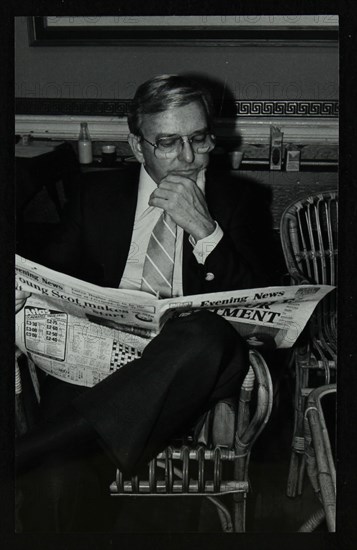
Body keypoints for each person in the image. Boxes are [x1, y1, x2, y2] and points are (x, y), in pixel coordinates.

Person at [15, 74, 276, 531]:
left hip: (192, 369)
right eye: (169, 143)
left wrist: (206, 232)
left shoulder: (239, 201)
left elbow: (265, 306)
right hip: (95, 364)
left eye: (198, 139)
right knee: (56, 482)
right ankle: (50, 453)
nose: (189, 157)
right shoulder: (95, 197)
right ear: (138, 148)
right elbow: (48, 278)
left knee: (203, 332)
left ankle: (23, 451)